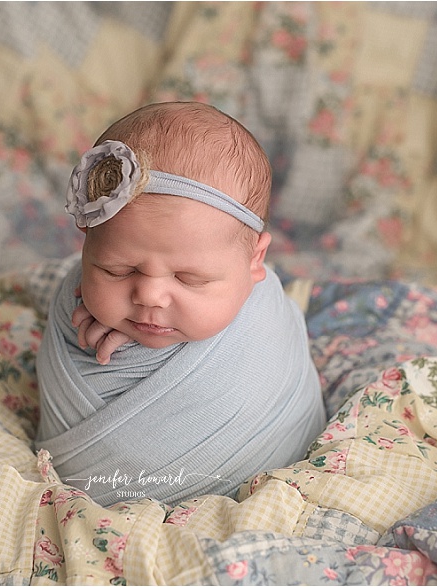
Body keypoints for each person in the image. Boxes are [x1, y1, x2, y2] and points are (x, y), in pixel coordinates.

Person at [35, 102, 326, 507]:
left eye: (190, 279)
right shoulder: (78, 302)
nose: (149, 296)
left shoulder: (264, 321)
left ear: (254, 261)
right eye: (118, 270)